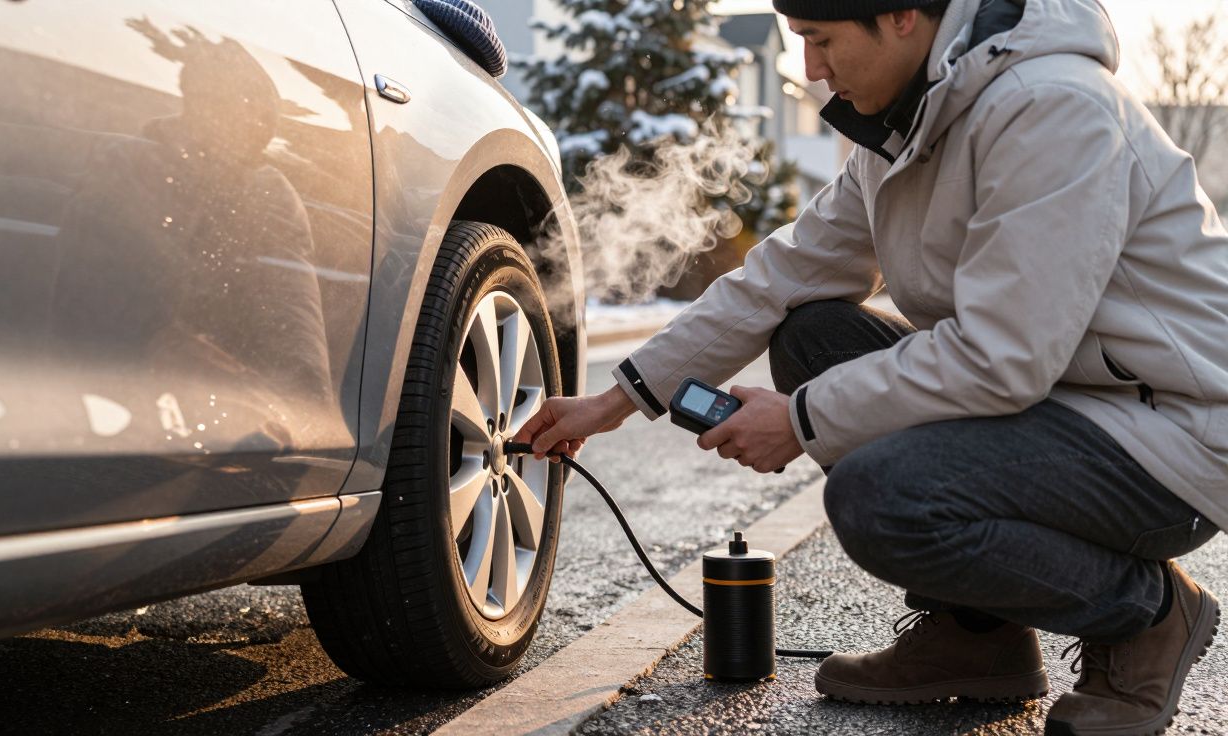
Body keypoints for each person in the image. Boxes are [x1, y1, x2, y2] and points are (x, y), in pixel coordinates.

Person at [513, 0, 1227, 732]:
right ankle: (979, 637)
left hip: (1167, 438)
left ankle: (1148, 615)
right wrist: (614, 402)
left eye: (820, 41)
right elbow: (780, 276)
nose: (811, 71)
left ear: (903, 17)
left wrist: (801, 420)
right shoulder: (906, 125)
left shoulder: (1050, 108)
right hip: (1059, 404)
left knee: (882, 498)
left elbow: (1001, 357)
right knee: (811, 336)